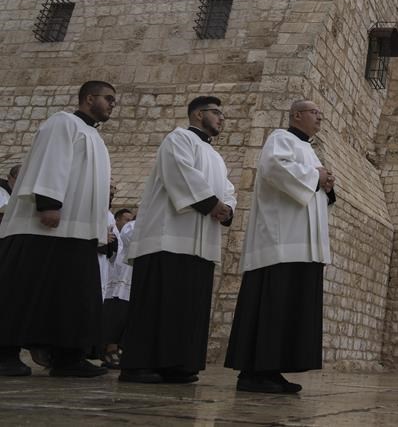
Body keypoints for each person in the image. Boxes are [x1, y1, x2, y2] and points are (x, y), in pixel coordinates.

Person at [0, 81, 116, 378]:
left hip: (78, 233)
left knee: (71, 298)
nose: (112, 104)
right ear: (89, 98)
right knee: (23, 289)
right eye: (108, 99)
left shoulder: (94, 136)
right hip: (45, 226)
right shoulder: (63, 123)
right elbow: (51, 161)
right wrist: (48, 203)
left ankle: (67, 357)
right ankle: (4, 353)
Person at [119, 96, 236, 384]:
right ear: (198, 114)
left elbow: (229, 189)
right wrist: (213, 205)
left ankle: (176, 363)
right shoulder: (178, 139)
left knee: (187, 306)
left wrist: (228, 208)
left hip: (201, 243)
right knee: (157, 303)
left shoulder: (217, 158)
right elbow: (181, 174)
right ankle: (138, 365)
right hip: (166, 237)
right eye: (216, 113)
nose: (221, 119)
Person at [224, 100, 336, 394]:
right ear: (297, 115)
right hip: (280, 240)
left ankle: (271, 370)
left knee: (289, 307)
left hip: (302, 243)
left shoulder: (309, 149)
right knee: (272, 304)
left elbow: (312, 187)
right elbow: (275, 168)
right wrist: (317, 177)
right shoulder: (280, 138)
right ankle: (254, 372)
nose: (319, 118)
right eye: (315, 113)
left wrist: (326, 184)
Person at [100, 208, 135, 368]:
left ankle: (120, 348)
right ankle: (110, 348)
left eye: (130, 219)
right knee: (116, 314)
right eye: (126, 219)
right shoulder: (128, 229)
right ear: (118, 220)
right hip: (117, 278)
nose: (128, 222)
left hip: (129, 276)